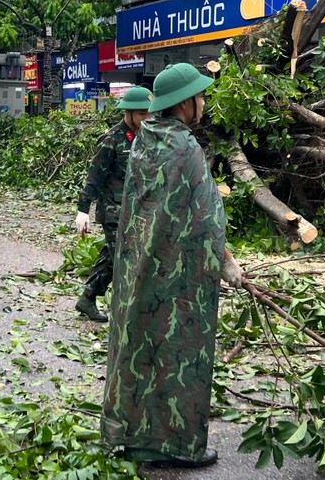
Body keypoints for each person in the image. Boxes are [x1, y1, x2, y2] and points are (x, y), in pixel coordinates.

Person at [100, 64, 243, 469]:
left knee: (140, 347)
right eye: (199, 97)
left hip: (139, 267)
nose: (203, 103)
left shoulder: (145, 140)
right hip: (179, 274)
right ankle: (179, 447)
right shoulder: (185, 147)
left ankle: (132, 436)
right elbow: (205, 218)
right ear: (185, 102)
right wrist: (226, 263)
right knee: (180, 352)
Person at [73, 86, 153, 322]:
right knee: (126, 259)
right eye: (141, 114)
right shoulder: (112, 139)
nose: (146, 118)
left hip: (136, 210)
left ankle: (87, 298)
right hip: (114, 211)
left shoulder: (147, 138)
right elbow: (94, 176)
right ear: (128, 113)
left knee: (112, 255)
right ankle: (128, 311)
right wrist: (83, 209)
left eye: (149, 113)